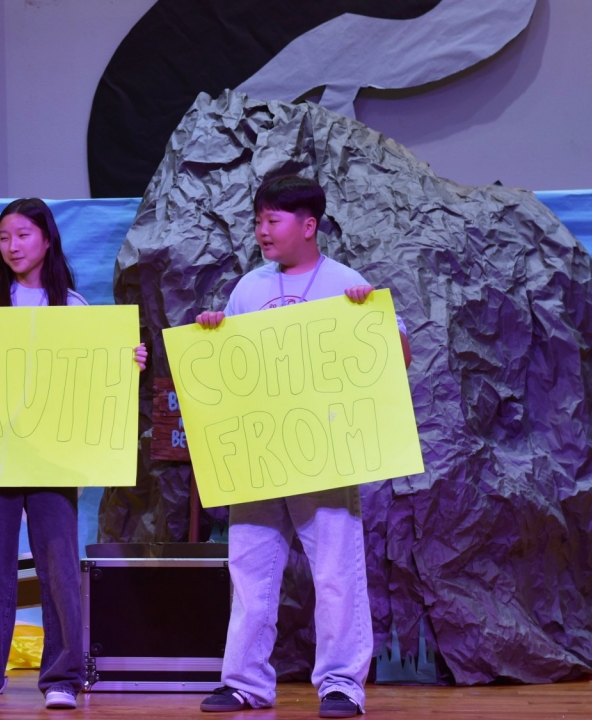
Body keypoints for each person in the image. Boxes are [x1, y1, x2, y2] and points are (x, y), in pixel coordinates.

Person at [0, 198, 148, 711]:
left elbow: (92, 376)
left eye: (22, 235)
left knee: (58, 567)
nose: (12, 246)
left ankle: (62, 677)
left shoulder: (72, 307)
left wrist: (126, 360)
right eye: (3, 237)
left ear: (46, 239)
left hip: (52, 456)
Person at [193, 175, 411, 718]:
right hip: (261, 452)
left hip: (324, 451)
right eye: (258, 221)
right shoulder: (249, 288)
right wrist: (214, 331)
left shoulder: (344, 282)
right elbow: (230, 368)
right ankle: (244, 682)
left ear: (308, 225)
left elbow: (398, 355)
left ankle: (341, 684)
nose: (262, 231)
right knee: (250, 570)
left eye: (273, 220)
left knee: (336, 573)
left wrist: (369, 317)